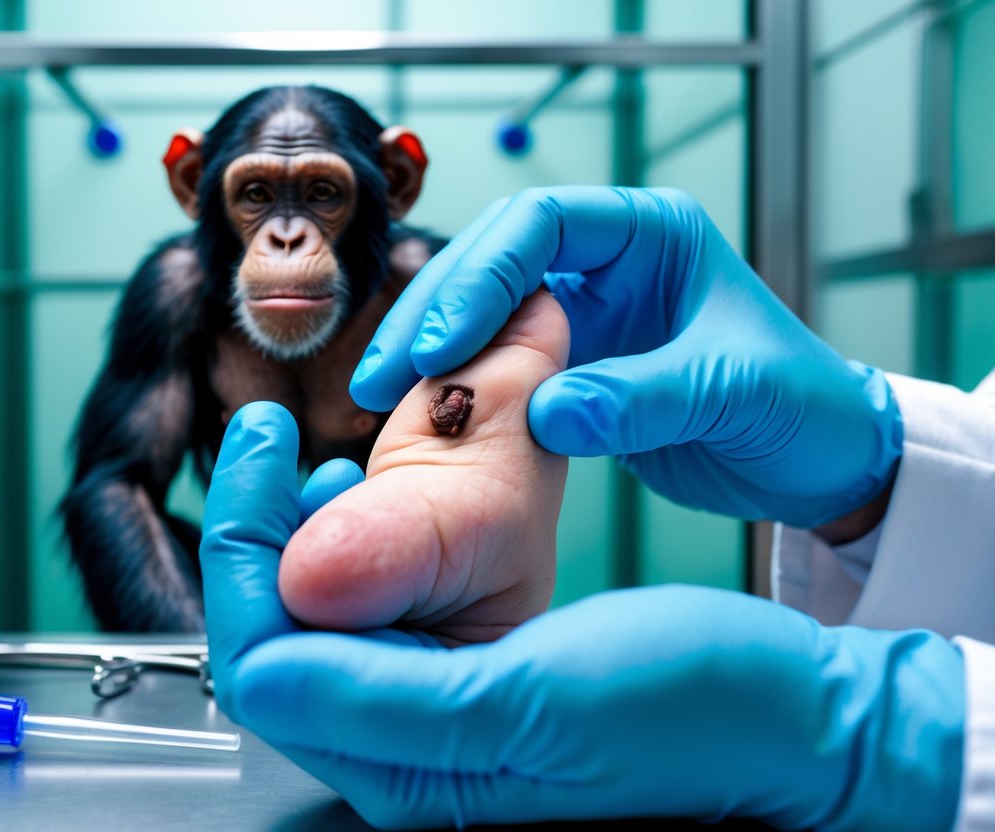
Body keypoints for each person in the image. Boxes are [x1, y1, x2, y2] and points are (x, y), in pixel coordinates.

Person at [196, 187, 995, 830]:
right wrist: (882, 475)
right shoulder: (180, 295)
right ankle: (450, 493)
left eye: (320, 197)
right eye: (258, 195)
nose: (288, 236)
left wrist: (894, 733)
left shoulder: (400, 264)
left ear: (394, 182)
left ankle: (452, 493)